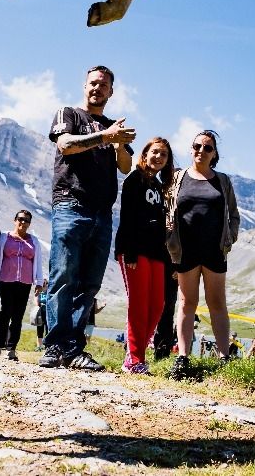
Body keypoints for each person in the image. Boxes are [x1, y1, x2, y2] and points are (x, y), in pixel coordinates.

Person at [39, 66, 135, 372]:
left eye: (103, 85)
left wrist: (118, 142)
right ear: (85, 86)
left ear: (110, 91)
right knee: (63, 275)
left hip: (102, 212)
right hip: (70, 204)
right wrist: (105, 136)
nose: (97, 88)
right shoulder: (68, 114)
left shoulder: (112, 126)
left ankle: (74, 348)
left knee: (89, 283)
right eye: (93, 83)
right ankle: (54, 346)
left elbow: (125, 166)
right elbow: (65, 145)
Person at [166, 130, 240, 381]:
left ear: (214, 154)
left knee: (217, 303)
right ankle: (183, 358)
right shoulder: (178, 178)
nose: (201, 150)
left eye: (207, 148)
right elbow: (168, 212)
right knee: (187, 303)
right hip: (185, 250)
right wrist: (169, 245)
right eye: (197, 145)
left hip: (214, 250)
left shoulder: (222, 181)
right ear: (190, 149)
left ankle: (223, 358)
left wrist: (229, 240)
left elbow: (233, 215)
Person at [115, 136, 174, 373]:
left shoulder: (160, 187)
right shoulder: (134, 179)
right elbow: (128, 216)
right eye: (155, 152)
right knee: (138, 306)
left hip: (157, 254)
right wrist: (129, 251)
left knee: (157, 305)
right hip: (134, 252)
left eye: (164, 155)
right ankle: (134, 360)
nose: (158, 157)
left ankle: (137, 354)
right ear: (146, 154)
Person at [0, 209, 44, 360]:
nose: (23, 222)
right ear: (15, 220)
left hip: (25, 283)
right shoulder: (5, 237)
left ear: (29, 224)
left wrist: (38, 282)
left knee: (17, 317)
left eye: (26, 220)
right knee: (4, 315)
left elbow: (38, 262)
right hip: (6, 280)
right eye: (20, 219)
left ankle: (11, 349)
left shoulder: (34, 241)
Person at [35, 280, 48, 350]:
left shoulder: (49, 292)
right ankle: (39, 346)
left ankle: (47, 345)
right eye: (43, 284)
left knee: (48, 329)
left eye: (45, 284)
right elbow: (36, 301)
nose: (44, 285)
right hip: (40, 313)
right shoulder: (39, 292)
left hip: (48, 313)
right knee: (40, 329)